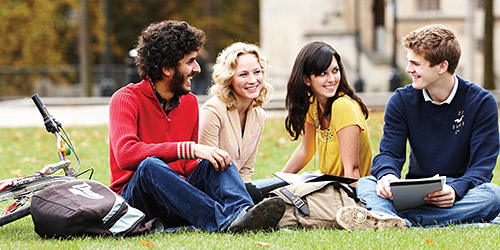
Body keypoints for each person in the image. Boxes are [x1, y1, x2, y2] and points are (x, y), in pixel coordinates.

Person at [108, 20, 285, 233]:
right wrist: (190, 148)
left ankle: (243, 213)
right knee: (150, 166)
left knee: (217, 159)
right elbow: (126, 155)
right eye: (190, 61)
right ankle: (224, 221)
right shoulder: (126, 98)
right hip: (137, 204)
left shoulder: (189, 103)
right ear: (166, 68)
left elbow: (188, 167)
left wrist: (212, 160)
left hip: (175, 200)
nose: (197, 69)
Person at [338, 24, 500, 230]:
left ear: (442, 66)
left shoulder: (481, 102)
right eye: (408, 62)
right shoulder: (402, 100)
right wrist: (387, 176)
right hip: (415, 192)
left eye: (416, 63)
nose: (408, 69)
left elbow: (482, 168)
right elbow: (389, 153)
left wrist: (455, 190)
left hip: (459, 193)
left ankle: (397, 222)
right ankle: (426, 221)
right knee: (366, 184)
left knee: (493, 195)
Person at [281, 41, 372, 184]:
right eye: (323, 73)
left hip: (348, 191)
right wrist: (278, 182)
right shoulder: (313, 104)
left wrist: (352, 205)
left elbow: (352, 170)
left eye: (335, 71)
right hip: (329, 185)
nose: (331, 79)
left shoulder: (343, 106)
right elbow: (306, 150)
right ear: (306, 79)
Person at [199, 42, 271, 183]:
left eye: (257, 72)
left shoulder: (258, 114)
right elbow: (207, 168)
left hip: (238, 190)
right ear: (229, 79)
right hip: (211, 190)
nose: (252, 80)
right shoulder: (213, 110)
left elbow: (246, 170)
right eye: (243, 74)